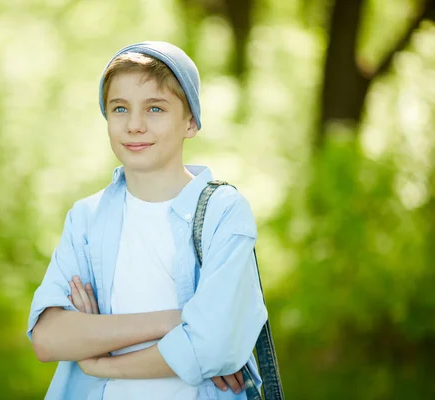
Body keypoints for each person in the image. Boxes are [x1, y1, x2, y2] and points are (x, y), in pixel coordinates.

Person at [27, 41, 268, 400]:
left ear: (190, 121)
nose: (135, 125)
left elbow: (215, 346)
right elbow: (48, 339)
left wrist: (98, 358)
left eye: (155, 108)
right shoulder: (87, 219)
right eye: (120, 108)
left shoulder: (223, 212)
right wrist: (179, 320)